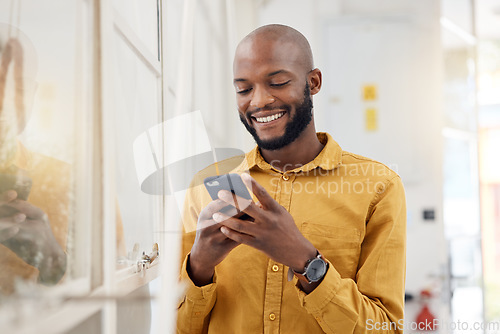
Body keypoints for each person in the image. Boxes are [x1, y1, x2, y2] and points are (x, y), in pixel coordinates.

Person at [177, 24, 406, 333]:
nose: (258, 101)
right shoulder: (204, 189)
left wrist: (306, 260)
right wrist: (200, 267)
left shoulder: (378, 188)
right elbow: (176, 327)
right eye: (244, 89)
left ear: (313, 83)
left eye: (278, 82)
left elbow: (385, 328)